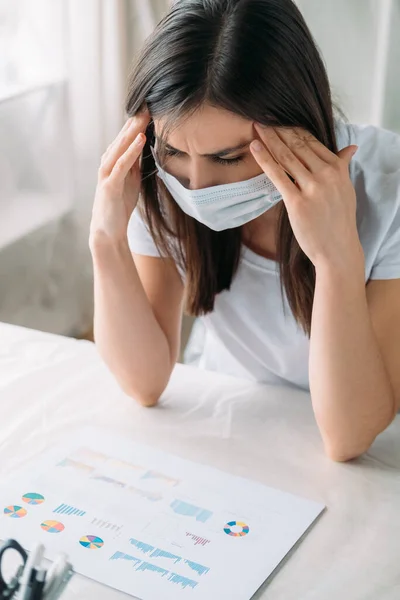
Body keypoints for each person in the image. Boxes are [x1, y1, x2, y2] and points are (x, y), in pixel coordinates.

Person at [89, 0, 400, 461]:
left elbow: (347, 437)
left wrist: (337, 261)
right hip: (234, 415)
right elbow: (144, 383)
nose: (196, 185)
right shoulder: (157, 179)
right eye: (174, 151)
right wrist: (105, 241)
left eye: (228, 158)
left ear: (297, 126)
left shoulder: (388, 189)